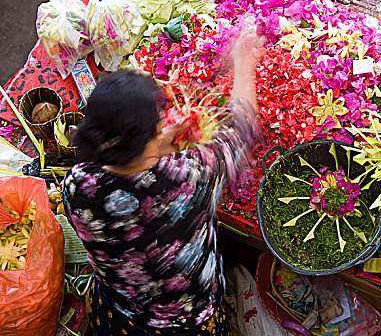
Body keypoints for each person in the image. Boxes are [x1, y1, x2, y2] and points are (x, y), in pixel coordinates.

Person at [62, 32, 264, 335]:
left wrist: (155, 145)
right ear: (152, 135)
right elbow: (241, 126)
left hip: (122, 309)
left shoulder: (78, 184)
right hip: (183, 321)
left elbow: (130, 173)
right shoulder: (187, 179)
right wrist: (243, 61)